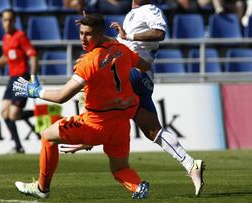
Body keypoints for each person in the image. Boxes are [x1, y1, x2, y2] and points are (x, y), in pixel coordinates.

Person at [60, 0, 205, 196]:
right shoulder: (131, 15)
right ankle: (190, 164)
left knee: (91, 79)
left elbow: (159, 33)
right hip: (139, 76)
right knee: (153, 131)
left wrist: (129, 35)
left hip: (133, 71)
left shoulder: (150, 9)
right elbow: (121, 43)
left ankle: (88, 135)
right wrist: (93, 28)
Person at [12, 13, 152, 199]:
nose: (83, 39)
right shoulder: (122, 50)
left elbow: (62, 96)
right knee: (120, 168)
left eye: (89, 34)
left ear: (100, 34)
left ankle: (42, 188)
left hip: (95, 124)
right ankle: (138, 186)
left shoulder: (88, 62)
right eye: (81, 33)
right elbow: (144, 66)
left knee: (47, 136)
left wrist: (37, 92)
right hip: (120, 123)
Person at [0, 9, 38, 154]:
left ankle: (40, 113)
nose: (7, 23)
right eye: (4, 20)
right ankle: (18, 146)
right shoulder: (5, 38)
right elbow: (6, 57)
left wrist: (32, 77)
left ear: (14, 21)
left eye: (9, 20)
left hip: (22, 78)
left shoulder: (20, 36)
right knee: (4, 112)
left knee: (13, 115)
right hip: (12, 78)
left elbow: (32, 54)